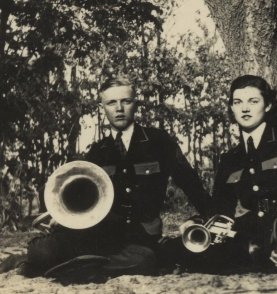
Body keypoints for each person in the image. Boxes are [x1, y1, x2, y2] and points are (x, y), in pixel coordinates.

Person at [0, 76, 212, 282]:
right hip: (100, 235)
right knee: (41, 251)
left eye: (125, 101)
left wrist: (211, 217)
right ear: (103, 107)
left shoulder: (159, 141)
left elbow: (191, 183)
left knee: (144, 261)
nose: (119, 108)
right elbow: (81, 203)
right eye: (111, 102)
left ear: (135, 104)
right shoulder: (97, 152)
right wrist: (63, 220)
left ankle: (71, 267)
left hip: (139, 238)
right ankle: (75, 265)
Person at [168, 75, 277, 273]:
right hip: (247, 232)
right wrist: (197, 222)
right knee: (178, 250)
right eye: (238, 102)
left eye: (253, 101)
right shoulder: (230, 158)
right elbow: (221, 208)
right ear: (232, 108)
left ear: (268, 105)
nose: (245, 109)